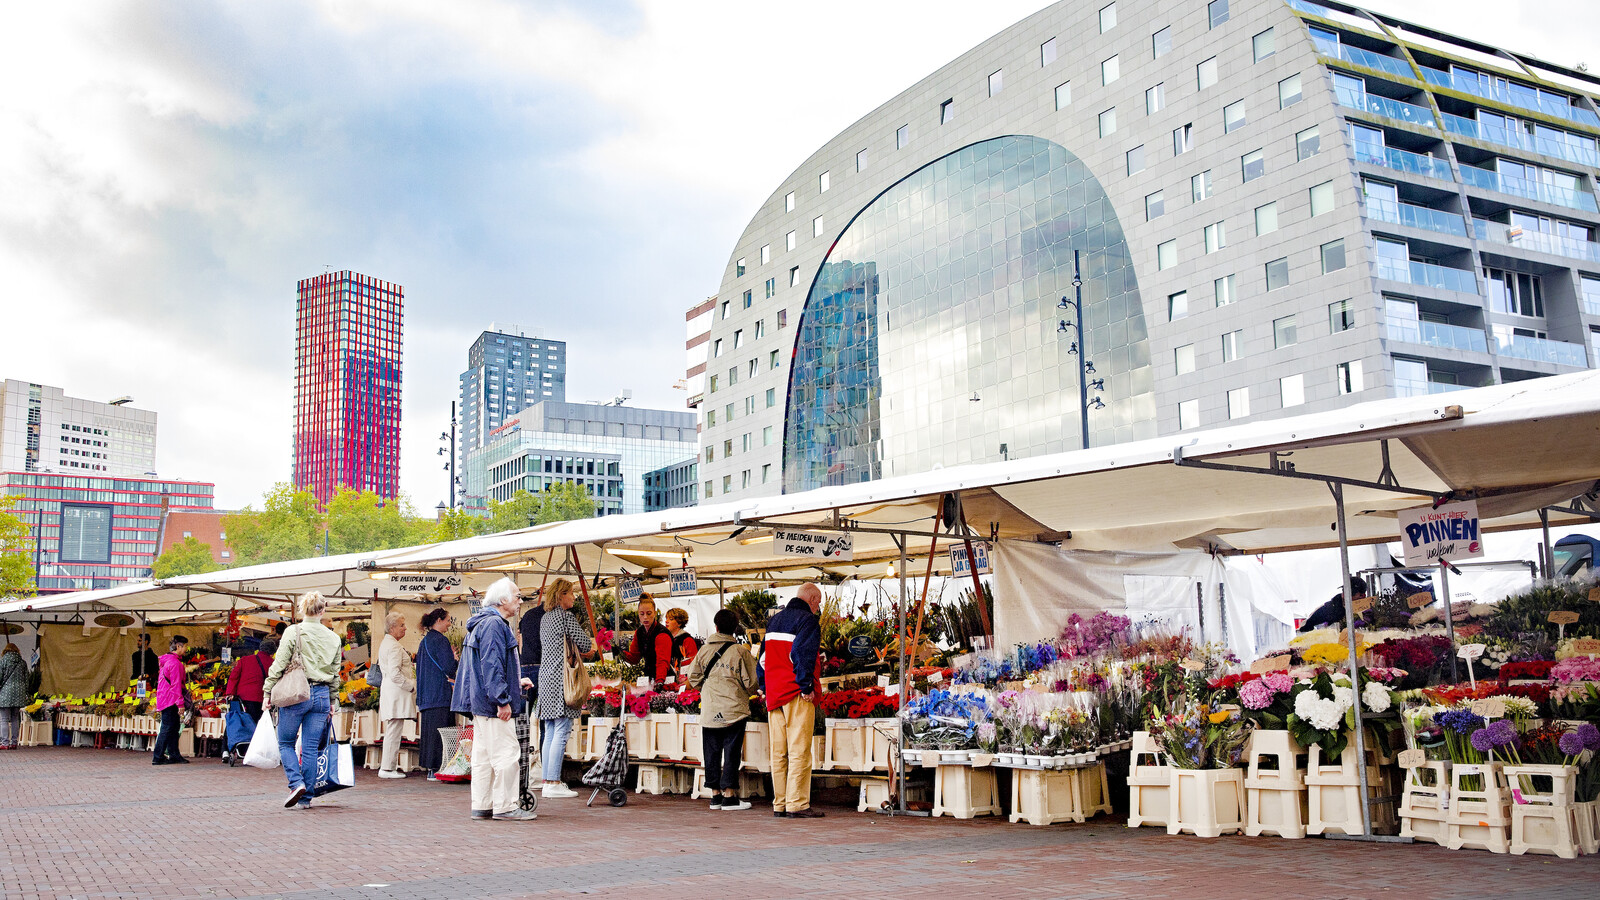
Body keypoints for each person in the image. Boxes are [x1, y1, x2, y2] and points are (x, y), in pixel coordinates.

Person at [452, 578, 536, 821]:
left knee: (483, 758)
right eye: (517, 596)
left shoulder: (482, 624)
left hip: (480, 702)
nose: (520, 601)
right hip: (491, 704)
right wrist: (502, 699)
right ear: (503, 600)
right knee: (507, 754)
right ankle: (506, 806)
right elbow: (491, 664)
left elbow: (485, 667)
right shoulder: (495, 625)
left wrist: (512, 682)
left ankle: (483, 805)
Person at [263, 591, 342, 810]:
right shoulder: (334, 638)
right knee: (310, 749)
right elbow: (336, 672)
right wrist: (333, 700)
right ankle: (306, 798)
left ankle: (296, 783)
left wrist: (267, 691)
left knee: (286, 742)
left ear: (302, 610)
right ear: (323, 610)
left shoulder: (293, 631)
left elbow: (279, 664)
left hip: (296, 693)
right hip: (322, 695)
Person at [686, 610, 759, 810]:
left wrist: (707, 688)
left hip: (710, 708)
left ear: (716, 627)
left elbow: (692, 677)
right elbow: (752, 682)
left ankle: (715, 795)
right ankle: (729, 795)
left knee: (711, 750)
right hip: (734, 709)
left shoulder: (703, 650)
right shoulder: (740, 652)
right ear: (735, 628)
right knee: (732, 751)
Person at [764, 583, 823, 817]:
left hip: (774, 693)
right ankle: (797, 803)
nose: (818, 607)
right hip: (795, 692)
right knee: (799, 750)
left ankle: (780, 803)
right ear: (811, 599)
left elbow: (763, 658)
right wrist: (806, 684)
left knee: (778, 753)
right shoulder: (807, 621)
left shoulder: (774, 621)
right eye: (818, 602)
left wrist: (763, 685)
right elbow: (802, 653)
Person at [537, 577, 592, 798]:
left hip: (546, 678)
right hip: (562, 679)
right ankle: (554, 782)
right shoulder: (565, 617)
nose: (574, 596)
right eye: (570, 593)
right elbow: (586, 644)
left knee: (550, 730)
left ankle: (547, 780)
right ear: (561, 596)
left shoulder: (545, 619)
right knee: (562, 730)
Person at [416, 607, 458, 780]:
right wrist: (455, 660)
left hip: (426, 695)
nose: (449, 624)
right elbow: (449, 667)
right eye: (448, 620)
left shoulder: (424, 641)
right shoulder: (441, 641)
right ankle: (439, 768)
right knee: (443, 733)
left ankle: (430, 768)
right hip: (440, 694)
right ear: (439, 620)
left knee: (429, 733)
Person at [377, 612, 418, 779]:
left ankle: (388, 767)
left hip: (391, 690)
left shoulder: (387, 643)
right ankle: (387, 768)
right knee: (394, 730)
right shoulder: (393, 646)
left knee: (393, 730)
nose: (405, 628)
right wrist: (411, 686)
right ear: (392, 628)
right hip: (395, 691)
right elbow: (395, 673)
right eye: (402, 625)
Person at [151, 635, 190, 765]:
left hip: (165, 698)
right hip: (170, 700)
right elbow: (176, 685)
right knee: (167, 728)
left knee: (173, 727)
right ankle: (158, 756)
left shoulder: (167, 661)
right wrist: (180, 704)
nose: (186, 649)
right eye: (185, 647)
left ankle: (174, 754)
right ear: (178, 646)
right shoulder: (175, 663)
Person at [224, 638, 276, 724]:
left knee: (244, 722)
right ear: (273, 652)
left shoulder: (244, 660)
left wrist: (230, 693)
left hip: (244, 698)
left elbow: (234, 677)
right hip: (263, 699)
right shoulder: (273, 664)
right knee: (258, 725)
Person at [621, 596, 671, 683]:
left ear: (655, 613)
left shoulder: (662, 634)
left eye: (649, 613)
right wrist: (621, 653)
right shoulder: (639, 632)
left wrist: (659, 681)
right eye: (642, 614)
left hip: (665, 678)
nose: (645, 617)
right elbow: (635, 658)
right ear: (638, 614)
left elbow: (662, 661)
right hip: (649, 676)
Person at [0, 643, 28, 750]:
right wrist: (26, 692)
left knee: (4, 719)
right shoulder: (22, 663)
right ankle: (14, 742)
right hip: (19, 694)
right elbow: (26, 680)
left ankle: (4, 743)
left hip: (5, 693)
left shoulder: (3, 661)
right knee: (15, 718)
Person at [662, 607, 699, 684]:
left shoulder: (687, 640)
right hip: (667, 681)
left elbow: (693, 663)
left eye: (671, 619)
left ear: (679, 623)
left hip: (683, 682)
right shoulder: (665, 639)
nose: (666, 621)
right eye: (666, 618)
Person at [519, 591, 545, 688]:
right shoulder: (549, 617)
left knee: (525, 700)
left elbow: (521, 642)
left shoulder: (528, 614)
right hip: (540, 664)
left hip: (525, 663)